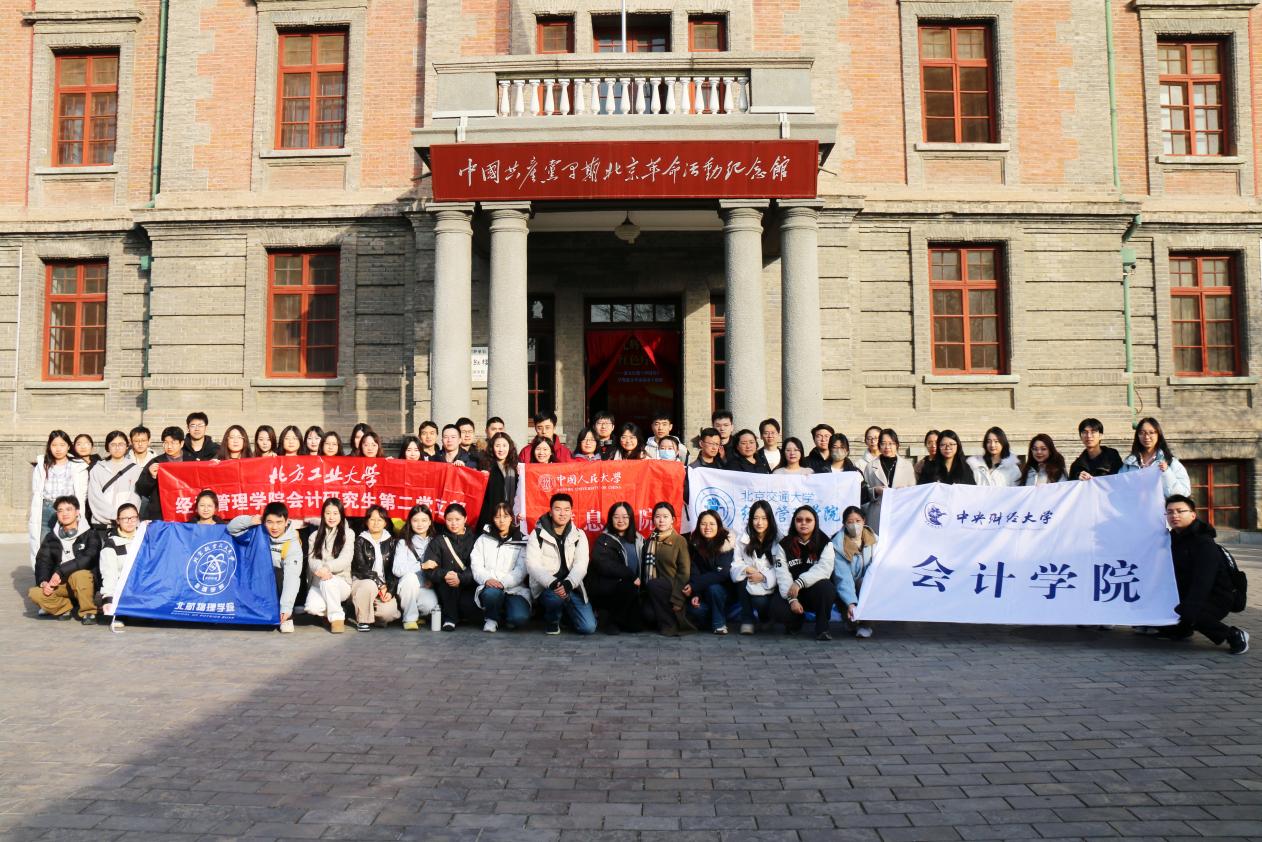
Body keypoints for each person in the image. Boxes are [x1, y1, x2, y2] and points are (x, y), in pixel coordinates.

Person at [1163, 495, 1248, 655]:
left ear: (1193, 515)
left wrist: (1189, 607)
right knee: (1164, 613)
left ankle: (1233, 635)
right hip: (1189, 593)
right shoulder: (1173, 539)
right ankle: (1183, 629)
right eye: (1170, 512)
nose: (1174, 515)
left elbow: (1203, 580)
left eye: (1180, 511)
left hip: (1217, 596)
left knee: (1192, 613)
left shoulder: (1204, 543)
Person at [525, 493, 597, 635]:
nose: (562, 513)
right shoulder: (537, 534)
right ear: (550, 512)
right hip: (548, 587)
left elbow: (581, 564)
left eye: (566, 509)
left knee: (588, 628)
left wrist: (569, 583)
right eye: (558, 509)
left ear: (571, 512)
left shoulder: (579, 535)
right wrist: (553, 583)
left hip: (571, 587)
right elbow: (532, 565)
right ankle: (552, 621)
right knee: (555, 598)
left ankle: (566, 616)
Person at [227, 501, 303, 633]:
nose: (274, 527)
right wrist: (250, 520)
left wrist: (286, 608)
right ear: (263, 521)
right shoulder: (257, 532)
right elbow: (231, 528)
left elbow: (292, 577)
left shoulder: (292, 544)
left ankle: (286, 616)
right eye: (270, 522)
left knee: (279, 573)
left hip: (276, 585)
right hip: (255, 579)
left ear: (286, 522)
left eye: (279, 522)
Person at [29, 495, 102, 623]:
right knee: (34, 593)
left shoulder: (91, 534)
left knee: (79, 575)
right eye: (60, 510)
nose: (64, 513)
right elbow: (42, 562)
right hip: (60, 584)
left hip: (84, 583)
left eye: (69, 509)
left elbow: (88, 558)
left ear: (77, 512)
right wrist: (43, 582)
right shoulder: (51, 537)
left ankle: (88, 611)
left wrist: (60, 571)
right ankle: (65, 607)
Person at [29, 430, 90, 568]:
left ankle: (64, 575)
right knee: (43, 544)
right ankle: (44, 576)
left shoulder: (78, 466)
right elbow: (36, 491)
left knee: (66, 545)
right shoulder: (42, 465)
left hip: (67, 510)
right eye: (54, 445)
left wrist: (77, 513)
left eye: (62, 445)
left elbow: (82, 494)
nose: (58, 449)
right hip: (46, 509)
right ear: (49, 446)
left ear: (68, 446)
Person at [778, 506, 838, 641]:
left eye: (808, 520)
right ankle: (796, 621)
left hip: (813, 591)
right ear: (794, 522)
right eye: (799, 520)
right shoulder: (784, 544)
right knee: (776, 608)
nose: (803, 523)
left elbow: (824, 569)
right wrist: (792, 599)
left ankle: (822, 628)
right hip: (791, 591)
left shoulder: (825, 543)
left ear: (815, 522)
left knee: (827, 588)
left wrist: (800, 582)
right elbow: (782, 574)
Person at [471, 502, 531, 632]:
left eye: (505, 516)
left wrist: (504, 583)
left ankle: (506, 615)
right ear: (492, 519)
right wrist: (487, 579)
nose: (501, 520)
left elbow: (521, 569)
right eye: (497, 517)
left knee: (519, 618)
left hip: (514, 589)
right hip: (490, 585)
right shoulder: (484, 538)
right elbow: (476, 565)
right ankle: (491, 618)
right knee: (492, 594)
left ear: (511, 518)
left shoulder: (521, 539)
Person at [731, 500, 789, 635]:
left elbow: (782, 567)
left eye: (764, 518)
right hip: (750, 580)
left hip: (772, 585)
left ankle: (766, 618)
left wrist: (763, 576)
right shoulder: (742, 539)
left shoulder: (779, 540)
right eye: (755, 518)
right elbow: (736, 563)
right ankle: (747, 620)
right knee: (741, 580)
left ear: (770, 519)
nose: (759, 523)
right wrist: (746, 569)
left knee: (760, 602)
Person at [587, 502, 644, 634]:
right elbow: (603, 564)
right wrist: (630, 575)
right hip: (609, 589)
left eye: (625, 517)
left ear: (630, 518)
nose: (620, 520)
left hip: (633, 591)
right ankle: (610, 620)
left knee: (636, 628)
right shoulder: (604, 540)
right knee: (627, 587)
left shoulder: (639, 539)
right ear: (610, 519)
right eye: (616, 517)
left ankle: (620, 618)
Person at [640, 502, 695, 636]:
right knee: (647, 615)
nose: (661, 520)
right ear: (653, 520)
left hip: (673, 586)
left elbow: (684, 572)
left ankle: (669, 625)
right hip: (653, 590)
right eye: (658, 516)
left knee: (655, 584)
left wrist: (678, 599)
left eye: (665, 516)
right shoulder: (649, 540)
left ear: (672, 520)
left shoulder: (679, 540)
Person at [424, 503, 481, 630]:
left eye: (457, 519)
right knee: (449, 581)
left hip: (469, 584)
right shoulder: (438, 541)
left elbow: (480, 567)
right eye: (449, 520)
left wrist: (461, 578)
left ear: (465, 519)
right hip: (446, 587)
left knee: (468, 605)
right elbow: (429, 568)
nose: (453, 523)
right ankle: (450, 620)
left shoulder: (476, 540)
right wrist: (445, 574)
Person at [304, 497, 355, 633]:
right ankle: (337, 609)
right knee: (312, 607)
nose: (331, 517)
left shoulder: (348, 534)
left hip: (341, 583)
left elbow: (346, 558)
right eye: (328, 513)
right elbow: (312, 560)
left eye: (335, 513)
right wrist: (320, 569)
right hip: (319, 580)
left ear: (341, 514)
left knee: (329, 582)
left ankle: (337, 619)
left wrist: (327, 568)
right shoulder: (314, 536)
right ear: (323, 515)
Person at [350, 505, 400, 631]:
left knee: (388, 614)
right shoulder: (359, 541)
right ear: (366, 522)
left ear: (385, 523)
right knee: (369, 585)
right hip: (363, 582)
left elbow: (394, 570)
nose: (376, 523)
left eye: (380, 520)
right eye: (372, 519)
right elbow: (361, 568)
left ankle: (370, 612)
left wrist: (390, 591)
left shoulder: (392, 542)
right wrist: (380, 584)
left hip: (384, 586)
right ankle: (363, 620)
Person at [684, 510, 735, 634]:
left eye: (712, 524)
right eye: (703, 524)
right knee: (696, 610)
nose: (707, 527)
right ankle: (713, 618)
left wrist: (694, 586)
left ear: (718, 525)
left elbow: (722, 573)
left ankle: (719, 624)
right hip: (703, 592)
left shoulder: (726, 543)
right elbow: (694, 572)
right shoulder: (694, 544)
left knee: (714, 588)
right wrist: (696, 594)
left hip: (724, 593)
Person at [98, 503, 146, 629]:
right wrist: (108, 599)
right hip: (123, 588)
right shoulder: (111, 544)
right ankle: (119, 613)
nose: (130, 521)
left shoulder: (146, 538)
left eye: (133, 518)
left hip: (144, 586)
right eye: (125, 518)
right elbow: (110, 574)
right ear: (118, 521)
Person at [831, 505, 876, 638]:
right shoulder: (837, 545)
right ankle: (851, 621)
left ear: (864, 521)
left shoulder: (875, 541)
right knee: (850, 622)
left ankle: (866, 624)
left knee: (866, 583)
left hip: (865, 585)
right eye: (850, 522)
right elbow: (843, 577)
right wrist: (851, 603)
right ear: (844, 524)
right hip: (846, 587)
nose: (854, 525)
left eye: (858, 521)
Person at [392, 504, 440, 630]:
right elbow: (397, 570)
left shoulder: (435, 542)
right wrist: (421, 566)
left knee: (430, 606)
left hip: (424, 587)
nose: (420, 524)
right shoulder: (403, 543)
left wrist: (432, 580)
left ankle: (417, 614)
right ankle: (409, 619)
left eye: (424, 520)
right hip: (407, 587)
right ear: (410, 522)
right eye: (415, 520)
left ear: (430, 522)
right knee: (410, 578)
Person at [1119, 417, 1191, 497]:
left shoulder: (1171, 462)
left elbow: (1184, 493)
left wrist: (1166, 472)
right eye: (1142, 433)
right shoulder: (1129, 464)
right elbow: (1118, 490)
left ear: (1158, 435)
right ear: (1137, 436)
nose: (1146, 437)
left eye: (1151, 432)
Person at [864, 428, 915, 534]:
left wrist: (904, 491)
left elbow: (913, 491)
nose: (887, 447)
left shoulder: (907, 466)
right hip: (878, 513)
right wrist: (875, 491)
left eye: (891, 443)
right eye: (883, 443)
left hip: (900, 512)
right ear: (879, 445)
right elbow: (864, 492)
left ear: (897, 445)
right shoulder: (870, 466)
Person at [86, 430, 141, 527]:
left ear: (127, 446)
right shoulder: (97, 468)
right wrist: (114, 516)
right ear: (107, 447)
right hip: (101, 523)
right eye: (113, 444)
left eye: (121, 444)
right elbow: (95, 497)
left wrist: (125, 516)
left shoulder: (135, 469)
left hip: (128, 523)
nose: (117, 448)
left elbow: (135, 497)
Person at [134, 426, 184, 521]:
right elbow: (141, 489)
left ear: (181, 443)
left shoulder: (191, 461)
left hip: (184, 510)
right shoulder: (156, 462)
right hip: (160, 513)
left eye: (173, 443)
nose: (169, 446)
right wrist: (151, 477)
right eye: (165, 442)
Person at [479, 432, 518, 526]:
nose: (501, 449)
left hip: (513, 516)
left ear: (510, 447)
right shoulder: (486, 466)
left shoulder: (516, 466)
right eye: (497, 446)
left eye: (504, 446)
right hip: (492, 516)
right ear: (492, 448)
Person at [824, 433, 872, 504]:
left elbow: (864, 497)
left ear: (847, 450)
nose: (838, 450)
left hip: (849, 509)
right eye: (835, 447)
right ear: (829, 449)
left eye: (842, 447)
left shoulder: (855, 472)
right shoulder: (821, 471)